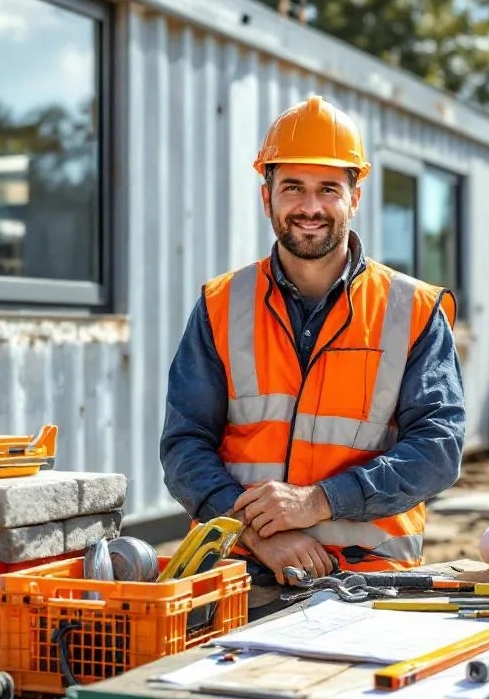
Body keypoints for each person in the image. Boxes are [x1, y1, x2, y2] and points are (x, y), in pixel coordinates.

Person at [158, 95, 466, 587]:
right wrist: (256, 533)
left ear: (354, 198)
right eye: (293, 188)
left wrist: (317, 502)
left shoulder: (411, 309)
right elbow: (185, 445)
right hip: (240, 572)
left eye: (328, 189)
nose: (310, 207)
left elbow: (438, 449)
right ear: (267, 198)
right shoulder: (221, 304)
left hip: (369, 578)